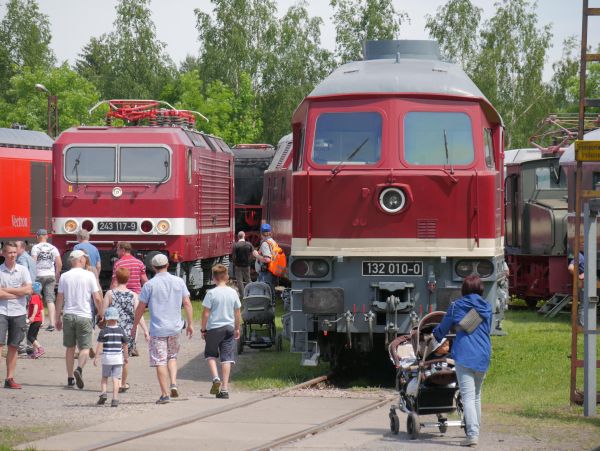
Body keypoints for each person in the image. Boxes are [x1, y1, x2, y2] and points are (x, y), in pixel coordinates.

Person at [432, 274, 492, 448]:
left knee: (468, 396)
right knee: (476, 396)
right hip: (483, 353)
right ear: (480, 289)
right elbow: (486, 329)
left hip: (465, 354)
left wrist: (433, 336)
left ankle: (472, 435)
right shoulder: (487, 306)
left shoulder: (456, 306)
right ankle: (475, 431)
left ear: (464, 289)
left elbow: (441, 330)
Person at [132, 253, 193, 404]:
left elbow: (140, 307)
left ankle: (164, 394)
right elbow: (187, 302)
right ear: (167, 265)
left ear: (153, 267)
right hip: (175, 328)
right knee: (172, 357)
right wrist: (190, 323)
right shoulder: (179, 281)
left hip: (158, 330)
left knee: (160, 361)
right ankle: (173, 383)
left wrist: (134, 325)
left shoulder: (149, 285)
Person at [55, 249, 103, 389]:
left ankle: (70, 378)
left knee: (70, 347)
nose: (85, 261)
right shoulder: (89, 275)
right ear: (80, 260)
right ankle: (79, 369)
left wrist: (57, 318)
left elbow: (59, 298)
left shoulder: (64, 276)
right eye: (84, 259)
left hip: (69, 315)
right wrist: (101, 314)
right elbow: (97, 298)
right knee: (85, 347)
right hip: (84, 315)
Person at [104, 267, 149, 392]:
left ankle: (113, 381)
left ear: (116, 278)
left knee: (111, 355)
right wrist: (145, 330)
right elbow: (138, 315)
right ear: (128, 279)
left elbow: (103, 313)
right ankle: (122, 383)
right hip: (128, 332)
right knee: (125, 358)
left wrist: (102, 323)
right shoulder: (133, 295)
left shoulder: (109, 294)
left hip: (112, 330)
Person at [201, 264, 241, 399]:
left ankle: (216, 378)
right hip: (229, 328)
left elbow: (206, 313)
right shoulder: (233, 292)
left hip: (214, 329)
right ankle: (224, 389)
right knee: (227, 358)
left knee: (210, 355)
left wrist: (203, 329)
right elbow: (237, 313)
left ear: (213, 278)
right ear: (227, 277)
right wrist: (237, 328)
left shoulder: (211, 293)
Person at [0, 242, 32, 389]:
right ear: (3, 254)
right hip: (2, 312)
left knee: (13, 346)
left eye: (14, 252)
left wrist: (8, 291)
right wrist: (17, 292)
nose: (12, 255)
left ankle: (9, 378)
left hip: (19, 312)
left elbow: (28, 290)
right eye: (9, 252)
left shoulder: (23, 270)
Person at [93, 307, 128, 407]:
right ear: (117, 319)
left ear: (107, 319)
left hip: (107, 358)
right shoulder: (121, 331)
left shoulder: (104, 331)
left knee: (104, 377)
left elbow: (99, 345)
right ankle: (115, 398)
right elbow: (125, 345)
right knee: (116, 378)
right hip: (118, 358)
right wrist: (126, 357)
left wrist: (96, 357)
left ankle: (104, 392)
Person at [31, 228, 62, 331]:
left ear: (37, 237)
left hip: (38, 275)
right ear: (46, 236)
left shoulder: (35, 247)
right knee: (50, 299)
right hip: (50, 275)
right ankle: (52, 323)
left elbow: (33, 263)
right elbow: (59, 263)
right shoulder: (53, 248)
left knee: (38, 298)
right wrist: (56, 274)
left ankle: (40, 322)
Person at [16, 241, 36, 355]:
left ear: (22, 248)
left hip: (24, 291)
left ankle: (22, 347)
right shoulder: (30, 258)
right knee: (29, 319)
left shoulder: (22, 259)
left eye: (16, 247)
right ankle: (29, 345)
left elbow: (22, 276)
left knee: (22, 319)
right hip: (31, 291)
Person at [253, 223, 275, 292]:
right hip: (270, 270)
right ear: (270, 232)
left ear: (261, 233)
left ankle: (267, 302)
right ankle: (272, 302)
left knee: (264, 290)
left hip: (265, 271)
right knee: (270, 288)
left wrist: (256, 255)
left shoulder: (265, 244)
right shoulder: (272, 241)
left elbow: (267, 259)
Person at [232, 231, 253, 297]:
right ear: (244, 236)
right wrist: (250, 262)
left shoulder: (235, 245)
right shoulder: (249, 244)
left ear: (238, 237)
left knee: (239, 281)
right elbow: (252, 254)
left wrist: (235, 263)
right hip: (247, 265)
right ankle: (250, 293)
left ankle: (242, 295)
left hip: (238, 265)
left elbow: (233, 256)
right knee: (248, 279)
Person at [27, 282, 45, 359]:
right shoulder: (39, 297)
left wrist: (32, 316)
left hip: (35, 320)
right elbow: (42, 310)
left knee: (30, 336)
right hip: (39, 320)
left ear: (33, 290)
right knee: (34, 337)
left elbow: (36, 307)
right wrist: (43, 321)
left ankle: (40, 349)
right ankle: (35, 352)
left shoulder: (34, 297)